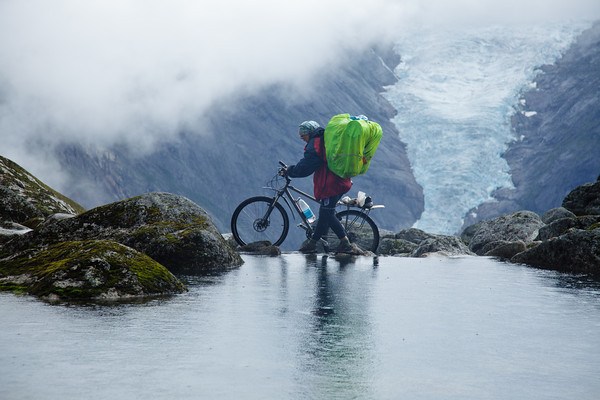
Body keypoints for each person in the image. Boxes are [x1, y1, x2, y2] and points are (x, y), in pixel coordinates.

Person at [282, 120, 363, 254]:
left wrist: (290, 170)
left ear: (310, 132)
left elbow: (306, 167)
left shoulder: (315, 145)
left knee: (327, 214)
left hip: (331, 184)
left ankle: (346, 244)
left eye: (303, 135)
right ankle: (312, 243)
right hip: (338, 181)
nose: (302, 138)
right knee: (325, 213)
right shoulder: (323, 140)